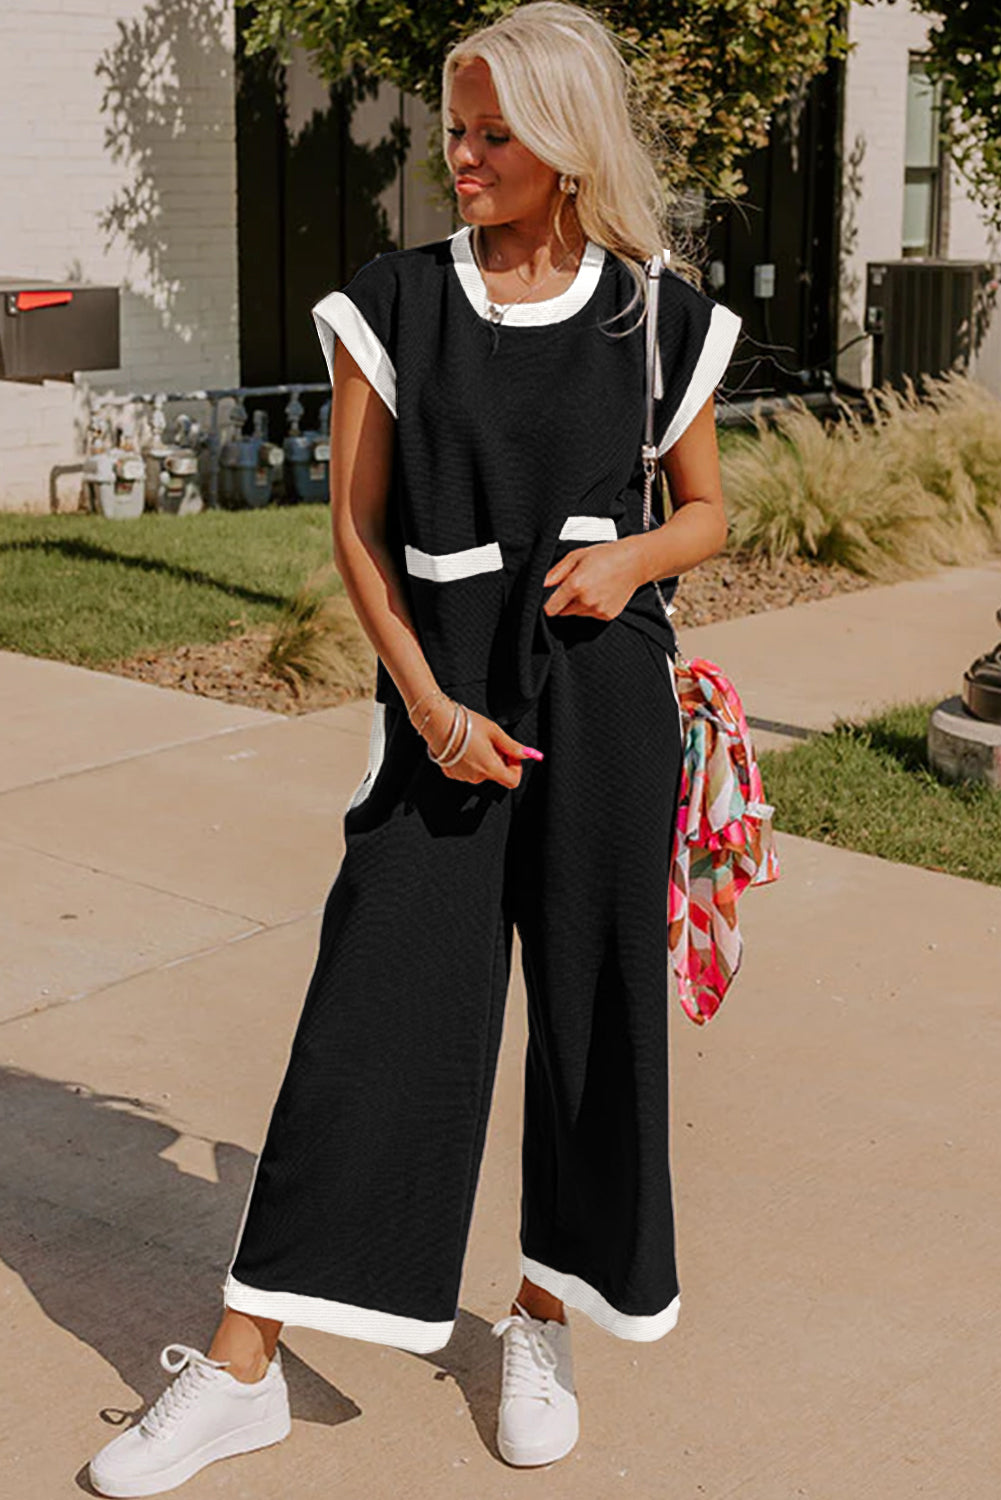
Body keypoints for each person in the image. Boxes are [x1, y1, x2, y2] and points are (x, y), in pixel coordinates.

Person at [88, 2, 742, 1492]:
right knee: (368, 1020)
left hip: (606, 710)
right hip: (442, 715)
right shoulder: (394, 302)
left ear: (566, 141)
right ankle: (243, 1365)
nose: (462, 156)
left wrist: (632, 561)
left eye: (495, 133)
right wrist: (432, 713)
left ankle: (540, 1318)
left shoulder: (657, 314)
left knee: (593, 1025)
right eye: (456, 128)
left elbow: (705, 511)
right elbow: (357, 531)